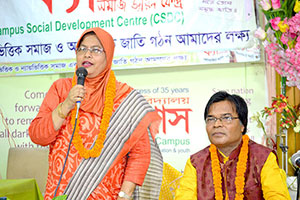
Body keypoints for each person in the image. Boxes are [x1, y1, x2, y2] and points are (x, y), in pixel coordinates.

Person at [29, 27, 163, 200]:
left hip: (108, 195)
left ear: (108, 57)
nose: (87, 54)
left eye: (96, 50)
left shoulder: (125, 98)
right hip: (62, 193)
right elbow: (37, 136)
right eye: (82, 49)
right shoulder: (61, 89)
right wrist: (66, 105)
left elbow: (140, 154)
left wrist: (125, 194)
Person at [175, 91, 291, 200]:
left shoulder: (263, 158)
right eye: (211, 119)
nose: (217, 124)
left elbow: (277, 196)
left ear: (242, 125)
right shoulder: (196, 163)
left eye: (226, 118)